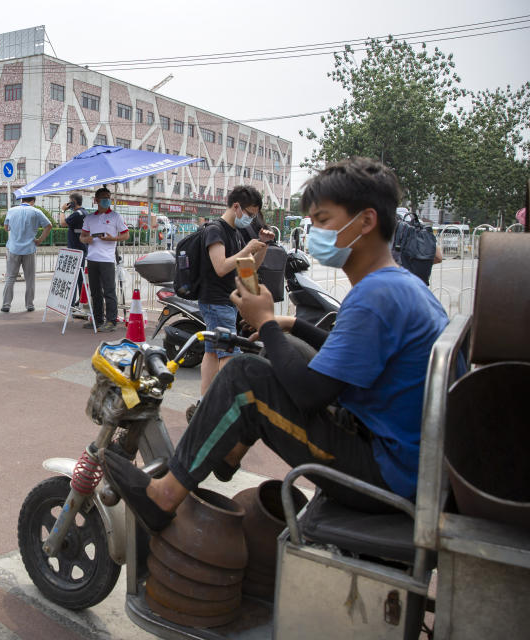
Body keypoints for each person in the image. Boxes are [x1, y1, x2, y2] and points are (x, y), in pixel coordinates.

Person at [103, 157, 451, 534]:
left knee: (242, 376)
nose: (314, 232)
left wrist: (266, 322)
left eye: (322, 220)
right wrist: (291, 325)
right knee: (278, 348)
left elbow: (310, 394)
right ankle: (228, 453)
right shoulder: (397, 284)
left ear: (366, 221)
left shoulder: (376, 294)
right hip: (404, 459)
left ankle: (164, 496)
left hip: (388, 474)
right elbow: (342, 352)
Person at [197, 186, 271, 397]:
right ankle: (224, 405)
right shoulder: (215, 230)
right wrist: (247, 249)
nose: (250, 219)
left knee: (212, 354)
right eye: (250, 214)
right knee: (230, 356)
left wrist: (263, 246)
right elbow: (220, 267)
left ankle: (204, 402)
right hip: (216, 301)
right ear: (236, 207)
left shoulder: (236, 233)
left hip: (226, 302)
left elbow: (249, 269)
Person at [79, 187, 130, 331]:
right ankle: (97, 319)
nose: (107, 200)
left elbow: (126, 235)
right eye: (103, 197)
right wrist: (86, 239)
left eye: (108, 197)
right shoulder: (89, 218)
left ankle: (111, 321)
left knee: (109, 291)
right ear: (96, 200)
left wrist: (112, 238)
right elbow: (81, 236)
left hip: (107, 259)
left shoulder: (116, 216)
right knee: (95, 291)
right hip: (92, 258)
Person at [1, 196, 51, 313]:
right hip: (29, 248)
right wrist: (39, 240)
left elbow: (6, 227)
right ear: (33, 201)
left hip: (13, 248)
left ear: (21, 200)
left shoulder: (11, 210)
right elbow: (49, 226)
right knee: (30, 278)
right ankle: (29, 305)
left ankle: (6, 305)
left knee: (10, 278)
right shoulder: (36, 212)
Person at [63, 192, 89, 313]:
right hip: (82, 249)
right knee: (80, 278)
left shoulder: (76, 214)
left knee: (73, 278)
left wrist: (63, 211)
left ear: (73, 201)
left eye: (70, 201)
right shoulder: (85, 213)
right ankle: (81, 301)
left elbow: (63, 223)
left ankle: (72, 303)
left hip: (75, 250)